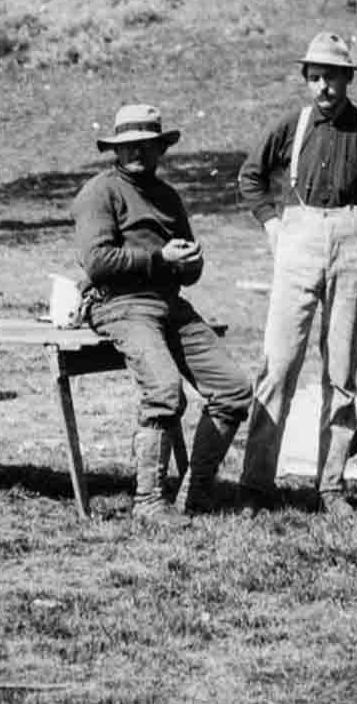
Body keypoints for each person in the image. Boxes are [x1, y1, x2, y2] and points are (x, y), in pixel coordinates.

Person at [235, 32, 357, 515]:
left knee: (341, 371)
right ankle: (256, 486)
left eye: (333, 78)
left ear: (348, 79)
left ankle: (330, 486)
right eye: (316, 77)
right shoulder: (291, 126)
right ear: (306, 79)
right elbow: (251, 177)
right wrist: (273, 224)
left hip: (350, 243)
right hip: (297, 242)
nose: (324, 87)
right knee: (278, 365)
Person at [73, 103, 252, 520]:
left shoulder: (168, 196)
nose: (139, 153)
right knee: (164, 392)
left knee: (234, 390)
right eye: (130, 146)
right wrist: (160, 258)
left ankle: (196, 493)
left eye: (148, 145)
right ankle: (149, 502)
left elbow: (186, 270)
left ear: (161, 148)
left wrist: (191, 263)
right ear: (116, 150)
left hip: (170, 304)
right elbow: (97, 261)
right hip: (119, 305)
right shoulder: (100, 192)